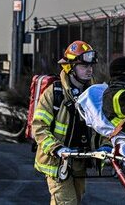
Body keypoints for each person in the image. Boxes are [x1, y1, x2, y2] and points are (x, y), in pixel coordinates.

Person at [32, 40, 97, 205]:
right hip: (57, 163)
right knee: (67, 203)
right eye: (84, 66)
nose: (89, 70)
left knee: (75, 200)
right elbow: (39, 128)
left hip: (80, 162)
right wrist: (57, 149)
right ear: (70, 67)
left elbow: (102, 126)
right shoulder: (54, 93)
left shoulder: (93, 94)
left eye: (91, 66)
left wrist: (105, 146)